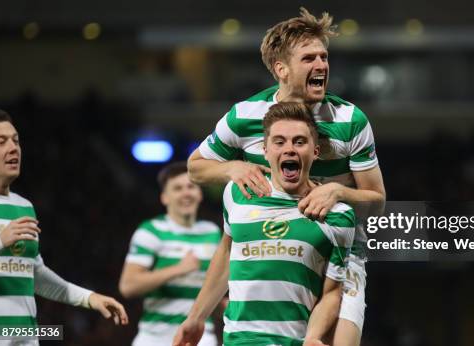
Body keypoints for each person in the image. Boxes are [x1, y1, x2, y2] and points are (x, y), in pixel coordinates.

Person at [187, 8, 386, 345]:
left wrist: (337, 192)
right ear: (281, 69)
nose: (322, 65)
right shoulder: (244, 115)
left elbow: (376, 200)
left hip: (340, 250)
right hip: (271, 247)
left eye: (324, 56)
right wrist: (230, 167)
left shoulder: (350, 120)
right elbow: (195, 167)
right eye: (309, 58)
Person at [173, 102, 355, 346]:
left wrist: (313, 337)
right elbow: (228, 252)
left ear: (315, 151)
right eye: (279, 142)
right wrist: (196, 317)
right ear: (265, 150)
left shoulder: (338, 215)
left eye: (299, 142)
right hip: (238, 341)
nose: (289, 149)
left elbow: (333, 291)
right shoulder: (238, 194)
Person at [0, 108, 128, 346]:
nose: (13, 148)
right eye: (0, 142)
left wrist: (90, 298)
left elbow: (35, 275)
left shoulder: (24, 206)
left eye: (16, 141)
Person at [119, 162, 222, 346]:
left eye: (191, 187)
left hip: (200, 337)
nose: (186, 193)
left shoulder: (212, 233)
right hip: (154, 337)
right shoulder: (151, 231)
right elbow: (128, 286)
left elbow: (212, 289)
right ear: (164, 197)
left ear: (199, 194)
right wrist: (179, 269)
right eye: (177, 188)